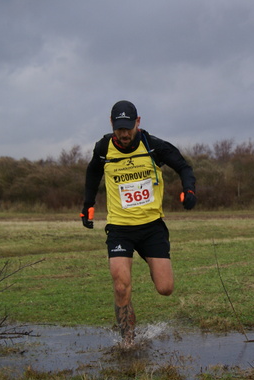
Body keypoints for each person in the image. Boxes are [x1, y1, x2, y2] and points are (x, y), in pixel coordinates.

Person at [81, 100, 196, 347]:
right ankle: (128, 341)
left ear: (138, 122)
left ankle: (152, 270)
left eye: (129, 128)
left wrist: (189, 190)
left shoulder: (153, 146)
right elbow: (92, 174)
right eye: (119, 128)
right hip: (120, 228)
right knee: (121, 285)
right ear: (112, 124)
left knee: (165, 288)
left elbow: (184, 167)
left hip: (152, 227)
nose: (124, 134)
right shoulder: (103, 148)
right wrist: (88, 206)